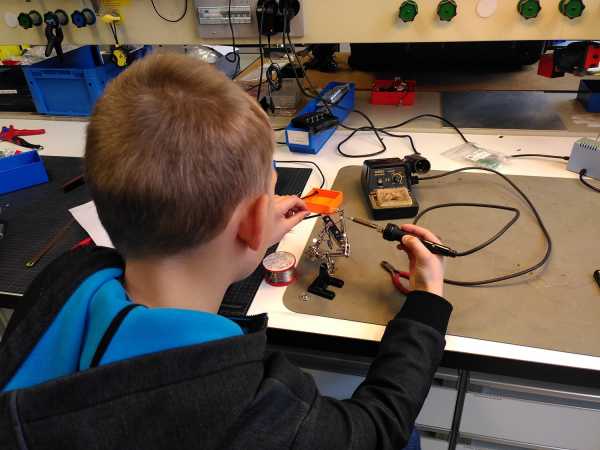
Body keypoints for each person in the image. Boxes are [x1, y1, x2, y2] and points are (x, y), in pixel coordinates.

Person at [0, 54, 452, 450]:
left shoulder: (66, 279)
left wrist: (249, 226)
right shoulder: (250, 408)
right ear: (254, 225)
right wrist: (427, 304)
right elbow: (377, 429)